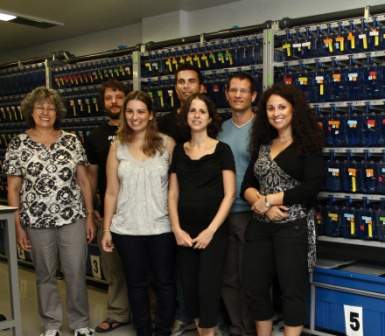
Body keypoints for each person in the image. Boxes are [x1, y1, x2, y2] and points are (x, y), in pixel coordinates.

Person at [3, 87, 95, 336]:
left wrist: (89, 216)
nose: (46, 112)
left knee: (76, 271)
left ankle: (80, 323)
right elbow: (13, 188)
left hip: (72, 217)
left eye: (51, 107)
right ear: (30, 112)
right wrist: (18, 224)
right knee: (45, 275)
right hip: (35, 220)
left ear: (58, 112)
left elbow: (84, 181)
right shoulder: (18, 143)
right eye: (40, 107)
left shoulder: (71, 140)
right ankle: (51, 325)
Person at [241, 83, 324, 336]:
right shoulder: (263, 145)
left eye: (281, 107)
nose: (276, 113)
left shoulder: (307, 145)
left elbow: (313, 186)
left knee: (292, 289)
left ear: (293, 110)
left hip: (293, 227)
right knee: (255, 288)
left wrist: (270, 199)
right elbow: (247, 185)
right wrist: (264, 207)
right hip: (260, 227)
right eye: (270, 108)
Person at [101, 91, 176, 336]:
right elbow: (111, 192)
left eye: (141, 111)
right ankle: (143, 331)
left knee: (164, 283)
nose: (135, 117)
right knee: (136, 284)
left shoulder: (167, 144)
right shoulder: (117, 146)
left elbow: (175, 190)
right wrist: (106, 230)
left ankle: (163, 330)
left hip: (161, 227)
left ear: (151, 115)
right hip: (126, 228)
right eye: (130, 111)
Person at [168, 93, 236, 336]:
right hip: (184, 232)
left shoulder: (222, 150)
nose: (196, 115)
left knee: (208, 289)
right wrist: (176, 228)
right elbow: (173, 194)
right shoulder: (178, 151)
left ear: (210, 119)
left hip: (213, 232)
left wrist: (211, 230)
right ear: (186, 117)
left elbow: (230, 195)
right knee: (190, 288)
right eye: (192, 111)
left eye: (202, 111)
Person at [158, 64, 204, 336]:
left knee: (207, 268)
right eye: (181, 82)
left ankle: (207, 317)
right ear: (175, 87)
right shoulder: (164, 123)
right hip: (173, 203)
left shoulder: (210, 118)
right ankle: (182, 315)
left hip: (205, 203)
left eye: (191, 81)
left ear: (201, 87)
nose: (185, 86)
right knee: (176, 266)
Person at [85, 79, 131, 333]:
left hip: (141, 212)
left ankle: (151, 313)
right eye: (108, 98)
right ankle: (118, 313)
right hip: (110, 213)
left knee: (146, 266)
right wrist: (91, 211)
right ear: (103, 103)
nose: (114, 102)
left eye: (118, 96)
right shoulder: (96, 136)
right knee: (114, 268)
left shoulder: (140, 130)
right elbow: (91, 176)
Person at [218, 73, 257, 336]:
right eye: (234, 90)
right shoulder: (220, 128)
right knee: (228, 277)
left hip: (251, 214)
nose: (238, 95)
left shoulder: (262, 128)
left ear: (253, 96)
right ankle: (236, 328)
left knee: (252, 277)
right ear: (227, 94)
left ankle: (253, 327)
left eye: (244, 91)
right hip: (223, 214)